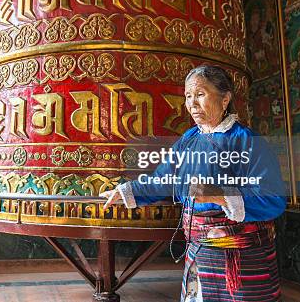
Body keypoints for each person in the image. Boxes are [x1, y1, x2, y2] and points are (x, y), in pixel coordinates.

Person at [100, 65, 286, 302]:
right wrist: (125, 191)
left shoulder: (247, 141)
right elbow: (163, 179)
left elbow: (273, 199)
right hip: (200, 249)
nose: (192, 104)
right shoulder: (189, 140)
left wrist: (219, 195)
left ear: (225, 98)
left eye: (200, 94)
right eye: (188, 96)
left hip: (241, 256)